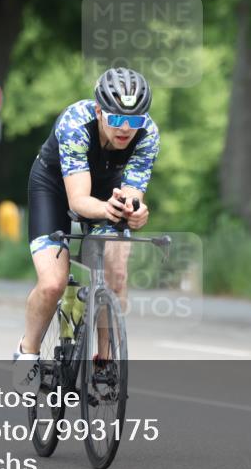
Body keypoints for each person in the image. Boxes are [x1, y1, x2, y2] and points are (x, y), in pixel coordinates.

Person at [14, 67, 159, 393]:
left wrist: (134, 212)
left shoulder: (148, 134)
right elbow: (78, 201)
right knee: (53, 283)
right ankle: (28, 350)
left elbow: (132, 194)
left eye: (134, 120)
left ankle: (103, 365)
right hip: (54, 186)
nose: (125, 129)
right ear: (98, 110)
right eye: (116, 118)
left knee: (116, 273)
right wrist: (108, 209)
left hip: (108, 188)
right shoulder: (75, 123)